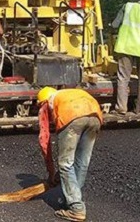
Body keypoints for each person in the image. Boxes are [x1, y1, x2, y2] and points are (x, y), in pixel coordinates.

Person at [37, 86, 103, 222]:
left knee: (65, 164)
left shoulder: (51, 101)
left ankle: (76, 208)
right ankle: (73, 199)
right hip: (95, 115)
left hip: (72, 115)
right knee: (82, 161)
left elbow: (46, 133)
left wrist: (54, 173)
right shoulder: (67, 93)